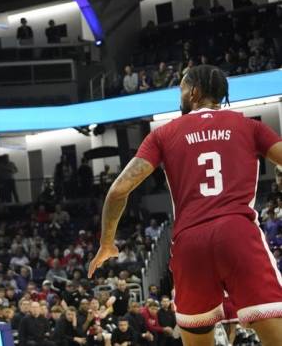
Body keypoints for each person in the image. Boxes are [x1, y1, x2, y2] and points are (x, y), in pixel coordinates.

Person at [89, 64, 282, 345]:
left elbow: (118, 190)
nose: (178, 95)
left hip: (190, 243)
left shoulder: (163, 135)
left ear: (194, 92)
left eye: (180, 88)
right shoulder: (250, 126)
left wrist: (107, 242)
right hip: (238, 233)